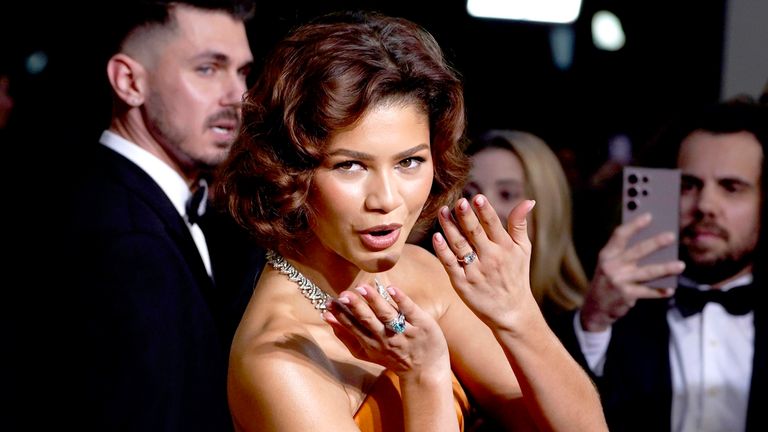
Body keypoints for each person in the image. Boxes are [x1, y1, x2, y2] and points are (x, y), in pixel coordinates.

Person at [218, 10, 607, 431]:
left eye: (409, 161)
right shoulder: (278, 358)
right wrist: (425, 375)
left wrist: (518, 313)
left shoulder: (423, 272)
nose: (387, 199)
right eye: (351, 166)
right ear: (290, 170)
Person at [46, 1, 259, 430]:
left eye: (241, 72)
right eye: (207, 69)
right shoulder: (122, 238)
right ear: (129, 82)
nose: (237, 96)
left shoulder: (138, 205)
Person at [560, 97, 768, 431]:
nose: (705, 205)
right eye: (689, 185)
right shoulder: (619, 315)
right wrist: (594, 319)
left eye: (731, 188)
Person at [462, 129, 590, 321]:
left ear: (546, 207)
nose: (482, 207)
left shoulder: (585, 321)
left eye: (506, 194)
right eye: (469, 194)